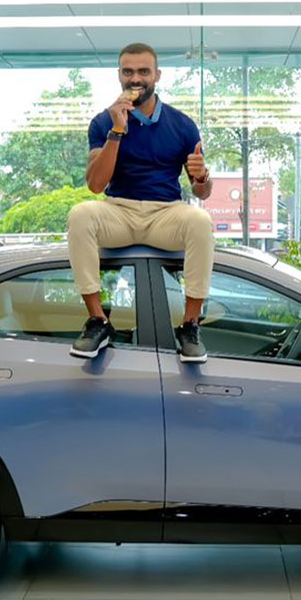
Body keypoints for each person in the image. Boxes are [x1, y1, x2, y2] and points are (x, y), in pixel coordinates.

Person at [67, 42, 214, 362]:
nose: (135, 79)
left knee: (200, 221)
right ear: (119, 75)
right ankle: (97, 321)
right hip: (118, 210)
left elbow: (202, 192)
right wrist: (117, 130)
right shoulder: (103, 122)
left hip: (166, 215)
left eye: (143, 71)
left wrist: (202, 176)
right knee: (80, 214)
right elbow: (96, 185)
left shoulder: (182, 124)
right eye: (128, 72)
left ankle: (190, 325)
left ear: (157, 75)